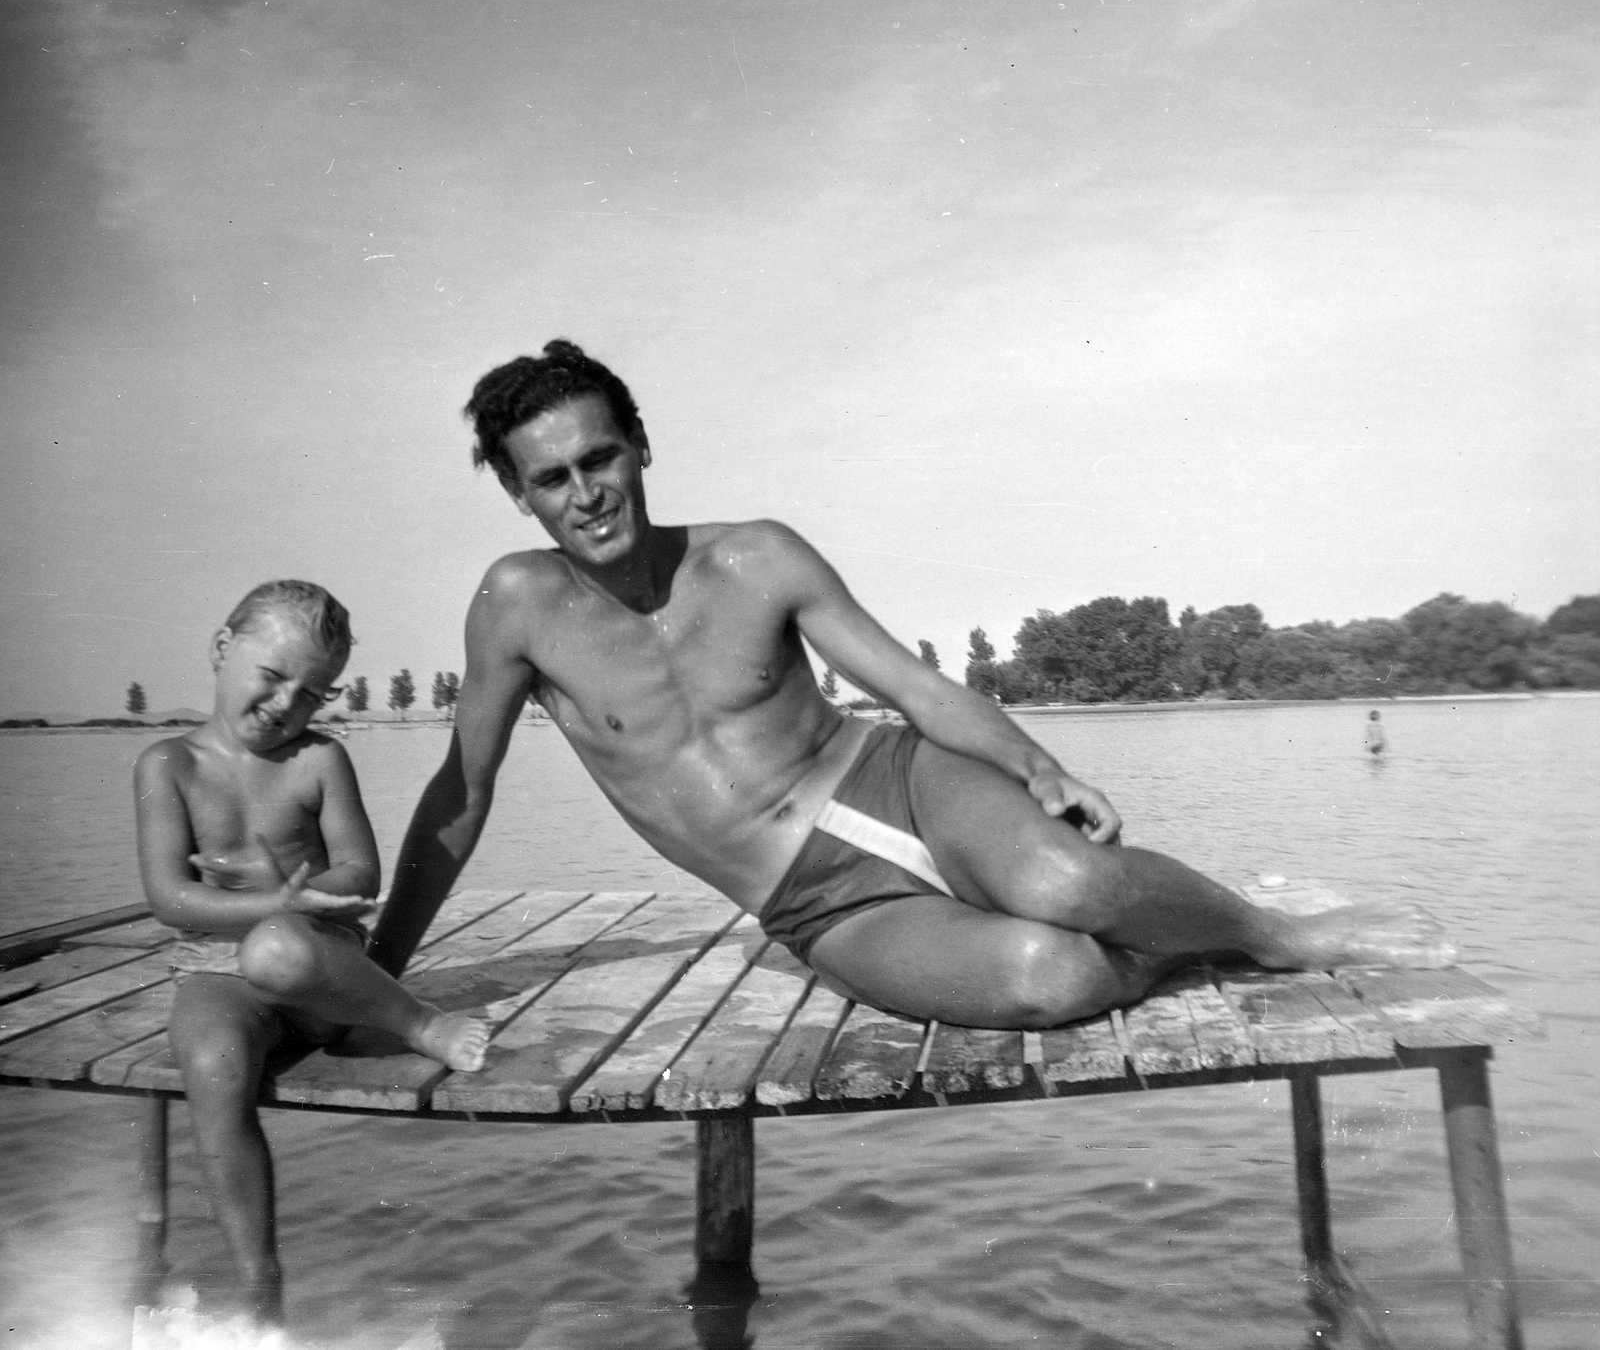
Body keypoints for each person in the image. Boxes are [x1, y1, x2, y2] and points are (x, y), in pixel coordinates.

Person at [370, 341, 1453, 1029]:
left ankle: (1266, 934)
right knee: (1050, 976)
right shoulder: (518, 606)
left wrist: (1039, 766)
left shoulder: (754, 556)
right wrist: (380, 976)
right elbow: (461, 794)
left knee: (1068, 884)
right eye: (551, 478)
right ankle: (1167, 949)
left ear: (639, 447)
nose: (586, 495)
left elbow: (915, 689)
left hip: (897, 778)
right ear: (517, 493)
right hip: (815, 901)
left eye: (599, 459)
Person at [134, 580, 491, 1325]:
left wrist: (293, 904)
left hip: (317, 970)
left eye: (311, 694)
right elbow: (169, 898)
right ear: (222, 649)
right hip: (213, 973)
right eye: (272, 678)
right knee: (212, 1066)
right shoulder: (168, 765)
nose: (285, 705)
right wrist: (272, 902)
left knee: (275, 951)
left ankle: (420, 1022)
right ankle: (261, 1296)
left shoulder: (319, 760)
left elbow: (361, 873)